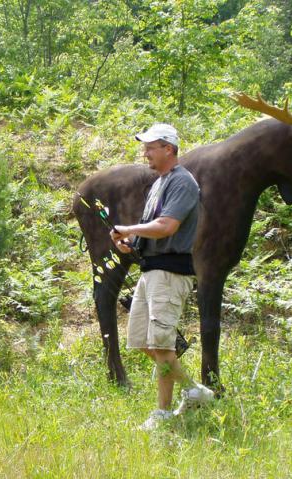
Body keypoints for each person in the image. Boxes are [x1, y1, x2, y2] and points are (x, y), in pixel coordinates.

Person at [110, 124, 214, 431]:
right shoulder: (159, 183)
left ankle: (163, 415)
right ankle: (194, 391)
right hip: (151, 271)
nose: (145, 153)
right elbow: (153, 228)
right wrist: (130, 242)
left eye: (151, 147)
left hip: (170, 274)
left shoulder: (183, 182)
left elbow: (167, 226)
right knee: (143, 340)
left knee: (163, 344)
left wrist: (129, 229)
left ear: (169, 148)